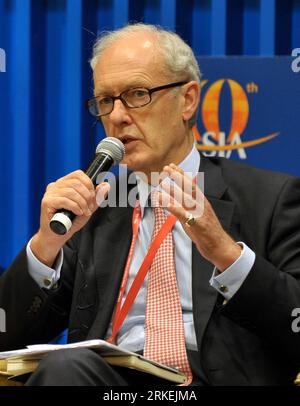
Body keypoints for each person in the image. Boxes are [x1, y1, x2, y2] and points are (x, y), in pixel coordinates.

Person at [0, 23, 300, 386]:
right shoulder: (95, 209)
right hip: (109, 384)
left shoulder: (270, 197)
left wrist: (226, 254)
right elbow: (7, 337)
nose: (117, 116)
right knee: (65, 370)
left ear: (187, 100)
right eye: (106, 101)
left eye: (137, 94)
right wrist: (46, 245)